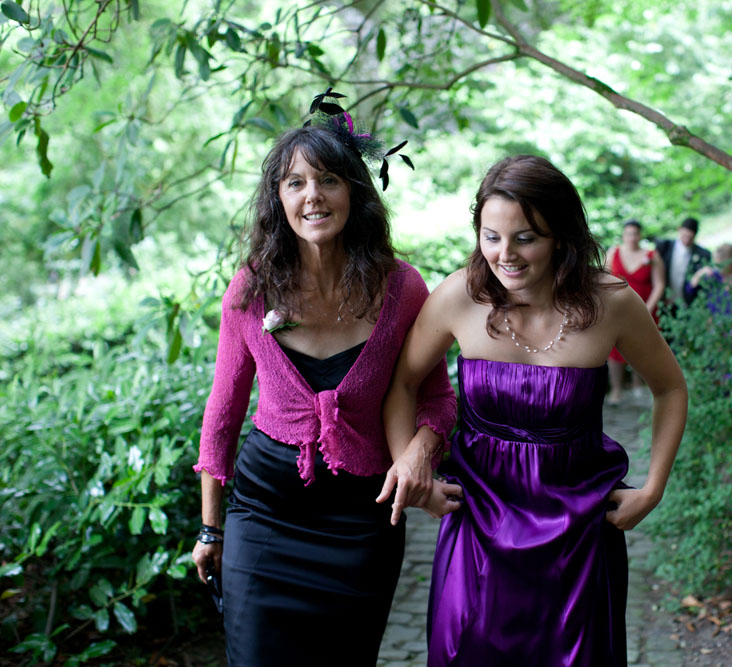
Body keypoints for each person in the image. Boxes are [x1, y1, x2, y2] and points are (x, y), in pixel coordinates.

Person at [382, 155, 688, 666]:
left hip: (580, 533)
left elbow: (671, 389)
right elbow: (403, 383)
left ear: (561, 236)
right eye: (491, 236)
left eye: (526, 237)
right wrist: (411, 472)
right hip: (477, 526)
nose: (506, 255)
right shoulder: (461, 295)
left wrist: (653, 488)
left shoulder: (611, 302)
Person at [190, 93, 457, 666]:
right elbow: (223, 413)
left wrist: (417, 456)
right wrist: (211, 530)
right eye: (295, 183)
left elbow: (435, 396)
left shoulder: (402, 288)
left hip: (362, 525)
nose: (313, 195)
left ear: (353, 193)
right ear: (278, 200)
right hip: (264, 517)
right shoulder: (251, 289)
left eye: (328, 180)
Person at [605, 219, 666, 404]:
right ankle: (616, 389)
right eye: (628, 233)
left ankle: (638, 383)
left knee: (642, 347)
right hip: (618, 310)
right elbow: (604, 279)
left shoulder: (651, 255)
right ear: (623, 235)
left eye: (635, 233)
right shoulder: (613, 253)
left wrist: (648, 307)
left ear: (640, 235)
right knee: (614, 350)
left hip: (645, 309)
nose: (632, 237)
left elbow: (660, 284)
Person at [687, 243, 732, 342]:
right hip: (717, 332)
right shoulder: (713, 277)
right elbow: (689, 291)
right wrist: (698, 274)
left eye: (720, 264)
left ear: (731, 262)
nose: (717, 267)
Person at [655, 216, 711, 310]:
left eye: (690, 237)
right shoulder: (665, 246)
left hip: (688, 304)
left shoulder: (703, 254)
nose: (687, 240)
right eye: (685, 236)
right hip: (665, 301)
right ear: (679, 230)